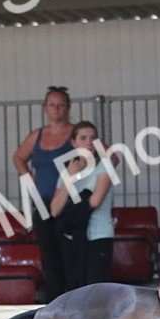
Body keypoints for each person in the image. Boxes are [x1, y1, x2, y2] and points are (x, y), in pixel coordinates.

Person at [12, 86, 74, 302]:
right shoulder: (37, 135)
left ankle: (73, 300)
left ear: (68, 108)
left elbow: (106, 155)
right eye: (52, 105)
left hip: (69, 203)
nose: (56, 109)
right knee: (48, 256)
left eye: (61, 104)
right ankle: (53, 302)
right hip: (41, 202)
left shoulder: (76, 133)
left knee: (69, 255)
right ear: (45, 108)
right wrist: (29, 179)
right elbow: (19, 157)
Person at [50, 121, 115, 290]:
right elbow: (55, 210)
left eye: (93, 138)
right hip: (74, 240)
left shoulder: (105, 165)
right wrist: (70, 177)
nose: (88, 142)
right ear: (74, 142)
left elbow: (95, 200)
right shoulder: (68, 171)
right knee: (75, 290)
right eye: (83, 138)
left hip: (99, 235)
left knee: (95, 290)